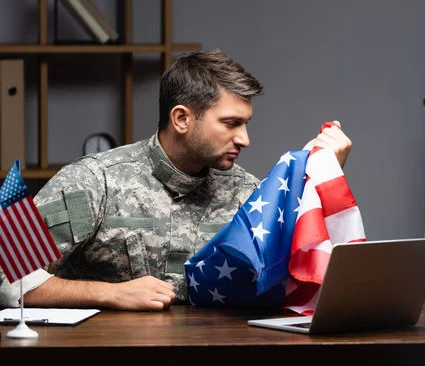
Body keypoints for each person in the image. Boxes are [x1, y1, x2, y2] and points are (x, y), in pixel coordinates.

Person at [0, 50, 352, 311]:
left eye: (246, 124)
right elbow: (6, 276)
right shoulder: (93, 180)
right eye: (231, 123)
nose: (245, 139)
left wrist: (323, 177)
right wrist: (110, 293)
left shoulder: (249, 193)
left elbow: (297, 277)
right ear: (182, 118)